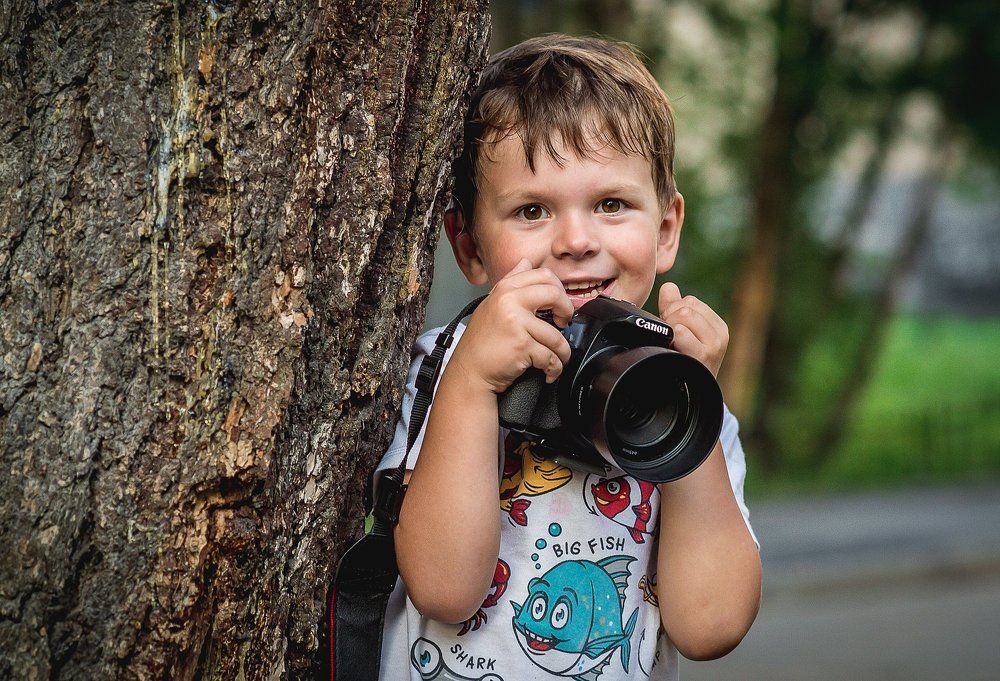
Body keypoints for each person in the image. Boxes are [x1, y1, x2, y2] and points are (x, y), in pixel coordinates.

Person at [375, 34, 761, 681]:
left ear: (666, 228)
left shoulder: (684, 398)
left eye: (611, 204)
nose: (577, 240)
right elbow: (442, 588)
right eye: (532, 210)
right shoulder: (443, 370)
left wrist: (686, 418)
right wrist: (471, 384)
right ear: (468, 245)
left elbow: (711, 624)